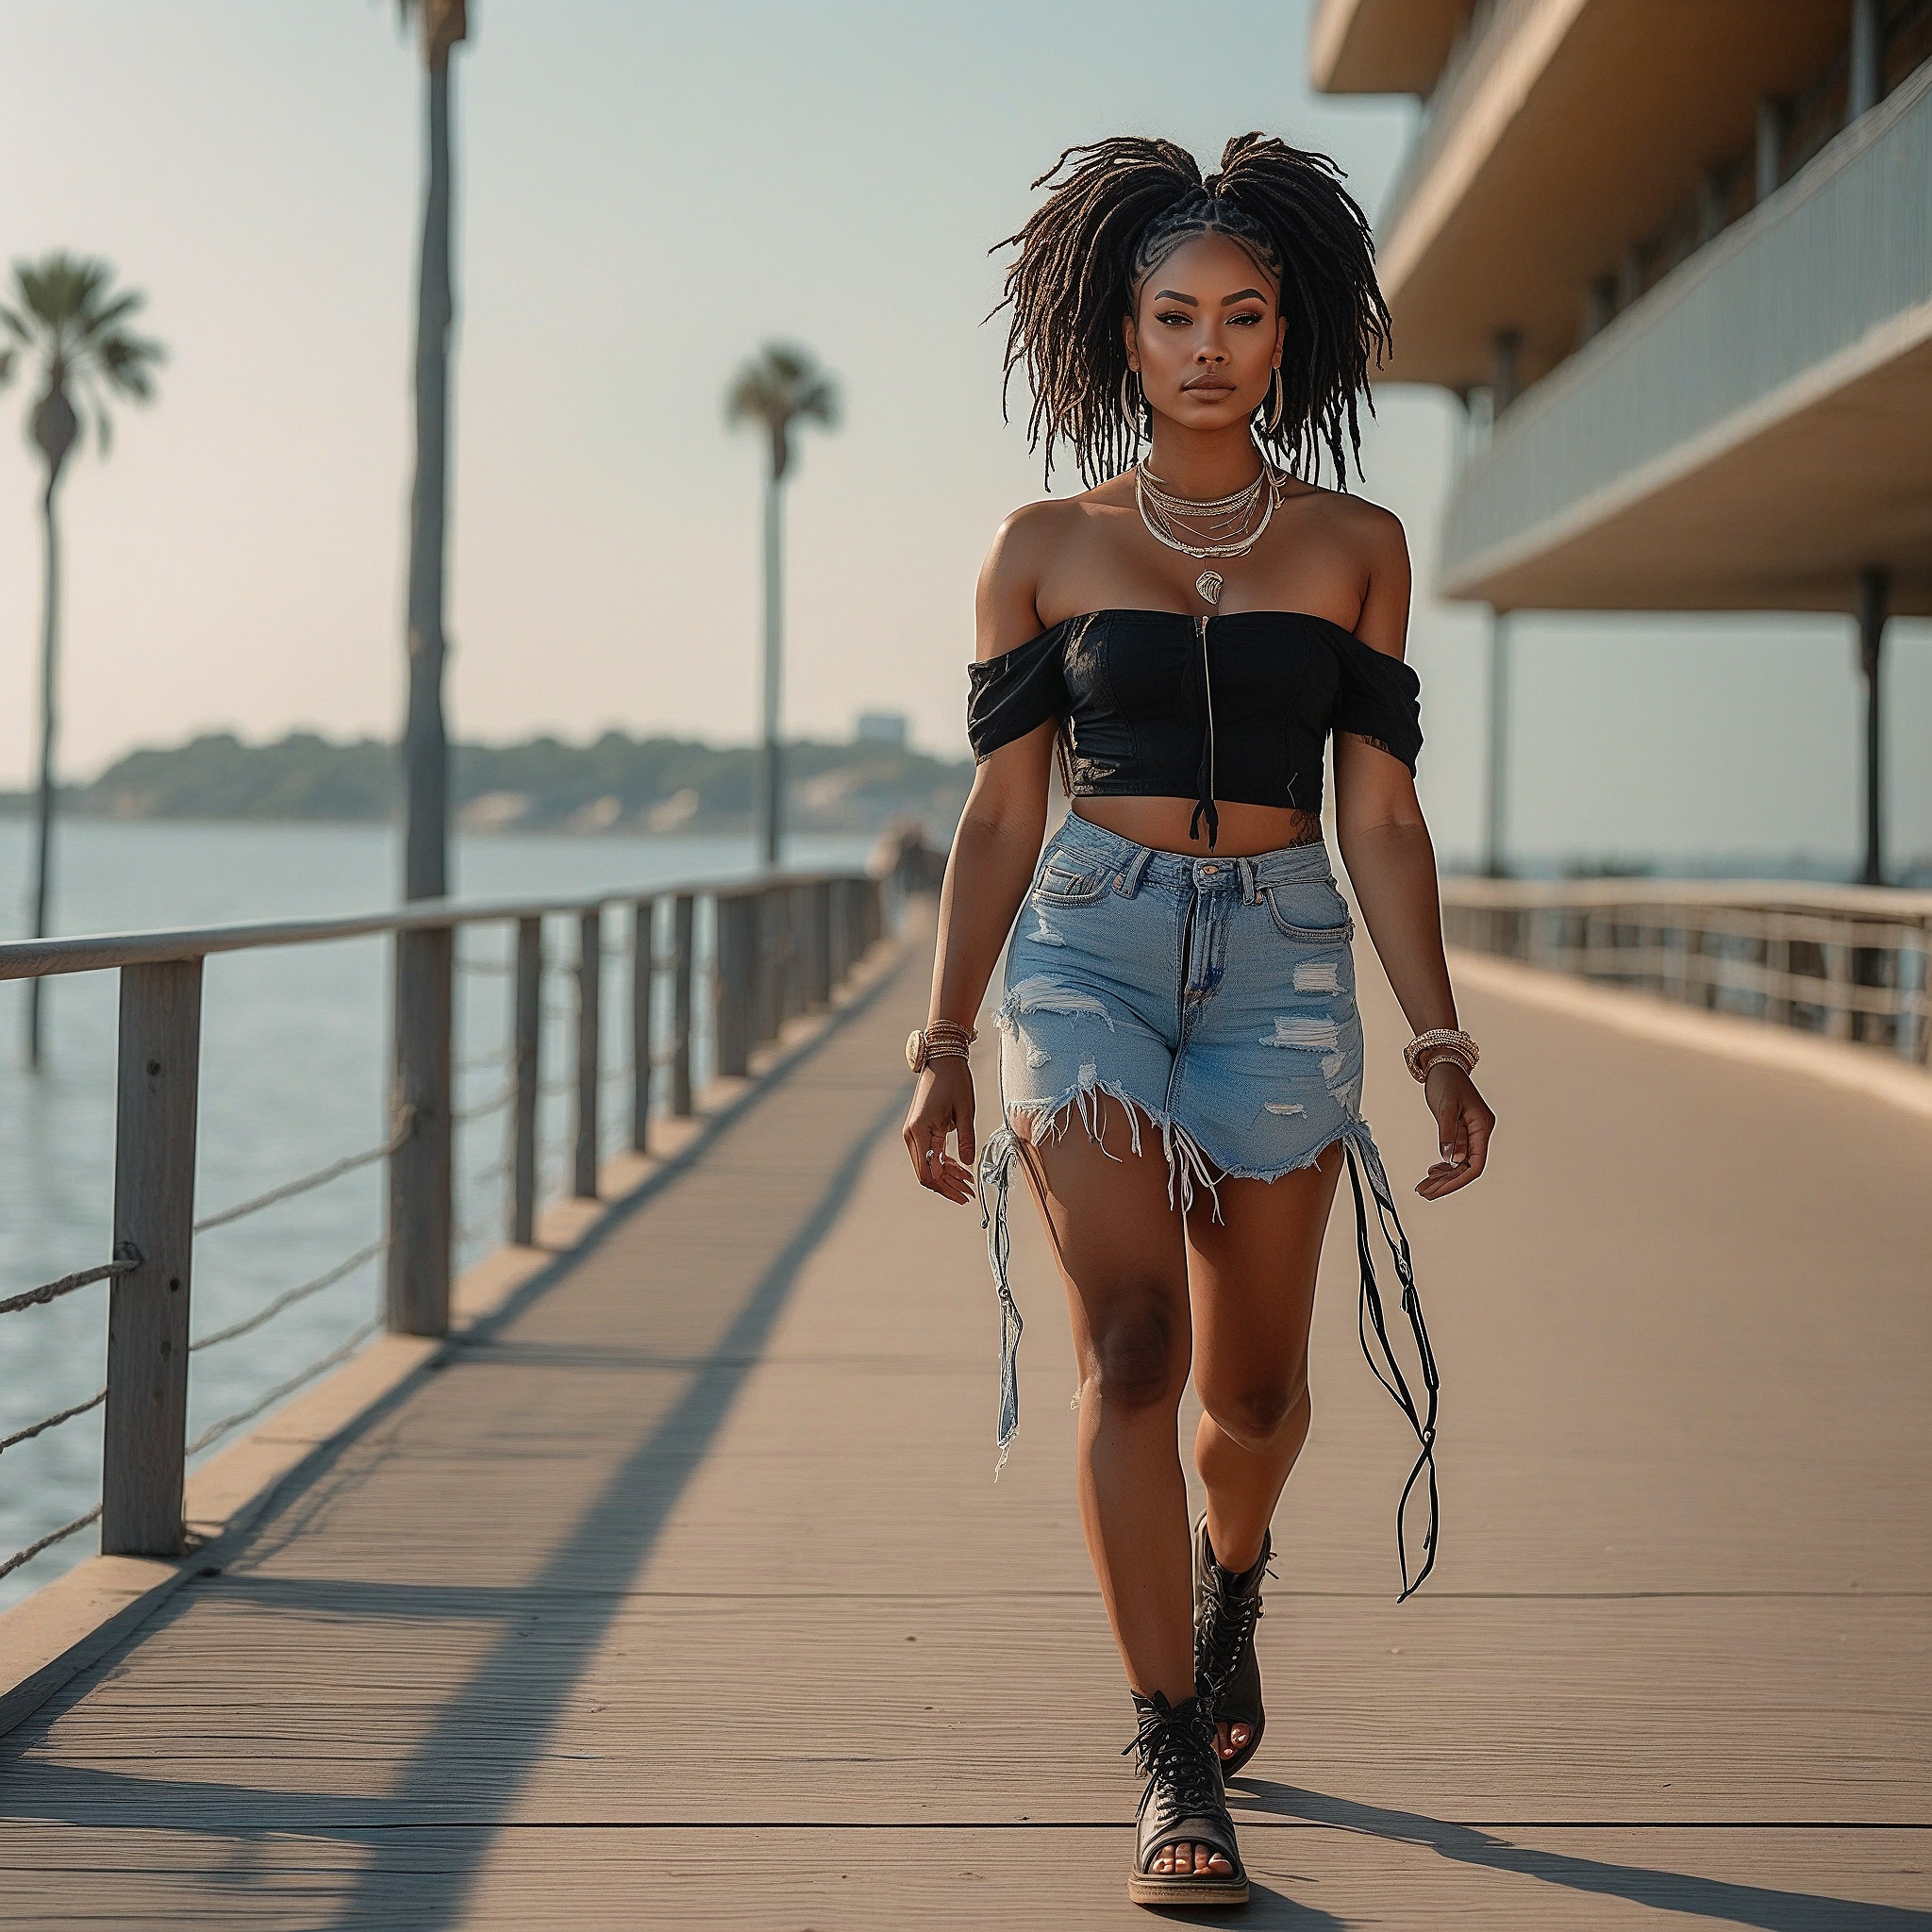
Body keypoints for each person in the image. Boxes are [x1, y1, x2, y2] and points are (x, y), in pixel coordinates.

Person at [902, 134, 1496, 1908]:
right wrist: (942, 1043)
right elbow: (1005, 810)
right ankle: (1169, 1754)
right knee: (1136, 1350)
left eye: (1245, 314)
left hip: (1288, 959)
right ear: (1124, 333)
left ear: (1290, 332)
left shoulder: (1356, 548)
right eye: (1176, 315)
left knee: (1254, 1394)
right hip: (1086, 946)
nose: (1210, 346)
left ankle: (1232, 1578)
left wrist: (1442, 1041)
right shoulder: (1043, 548)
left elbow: (1380, 814)